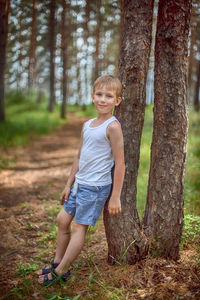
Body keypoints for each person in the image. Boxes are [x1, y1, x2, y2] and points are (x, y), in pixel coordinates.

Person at [38, 74, 125, 285]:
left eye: (109, 96)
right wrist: (68, 185)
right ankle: (58, 261)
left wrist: (115, 197)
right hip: (79, 184)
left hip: (95, 187)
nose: (103, 100)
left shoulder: (113, 127)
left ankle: (61, 272)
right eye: (99, 94)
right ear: (93, 96)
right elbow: (79, 156)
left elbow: (120, 163)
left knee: (79, 227)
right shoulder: (87, 125)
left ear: (117, 101)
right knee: (61, 220)